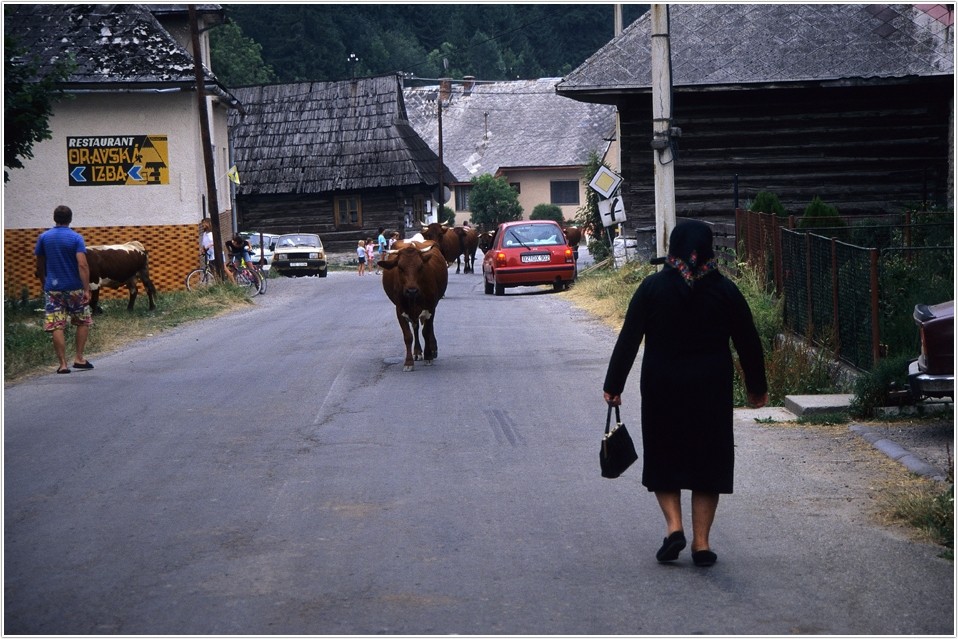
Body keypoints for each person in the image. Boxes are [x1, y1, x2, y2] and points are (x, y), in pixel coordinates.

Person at [602, 220, 768, 568]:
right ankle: (702, 544)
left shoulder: (652, 288)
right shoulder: (726, 291)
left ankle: (674, 527)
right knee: (709, 460)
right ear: (709, 249)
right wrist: (757, 388)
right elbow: (749, 342)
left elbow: (629, 339)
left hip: (664, 386)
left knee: (665, 456)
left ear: (673, 247)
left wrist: (614, 385)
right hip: (711, 388)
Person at [34, 205, 94, 374]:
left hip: (53, 290)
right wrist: (87, 289)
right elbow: (82, 264)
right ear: (70, 219)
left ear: (54, 218)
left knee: (56, 325)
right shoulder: (76, 238)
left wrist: (43, 281)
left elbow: (39, 263)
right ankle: (79, 358)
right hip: (75, 288)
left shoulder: (44, 237)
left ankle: (62, 364)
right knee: (82, 321)